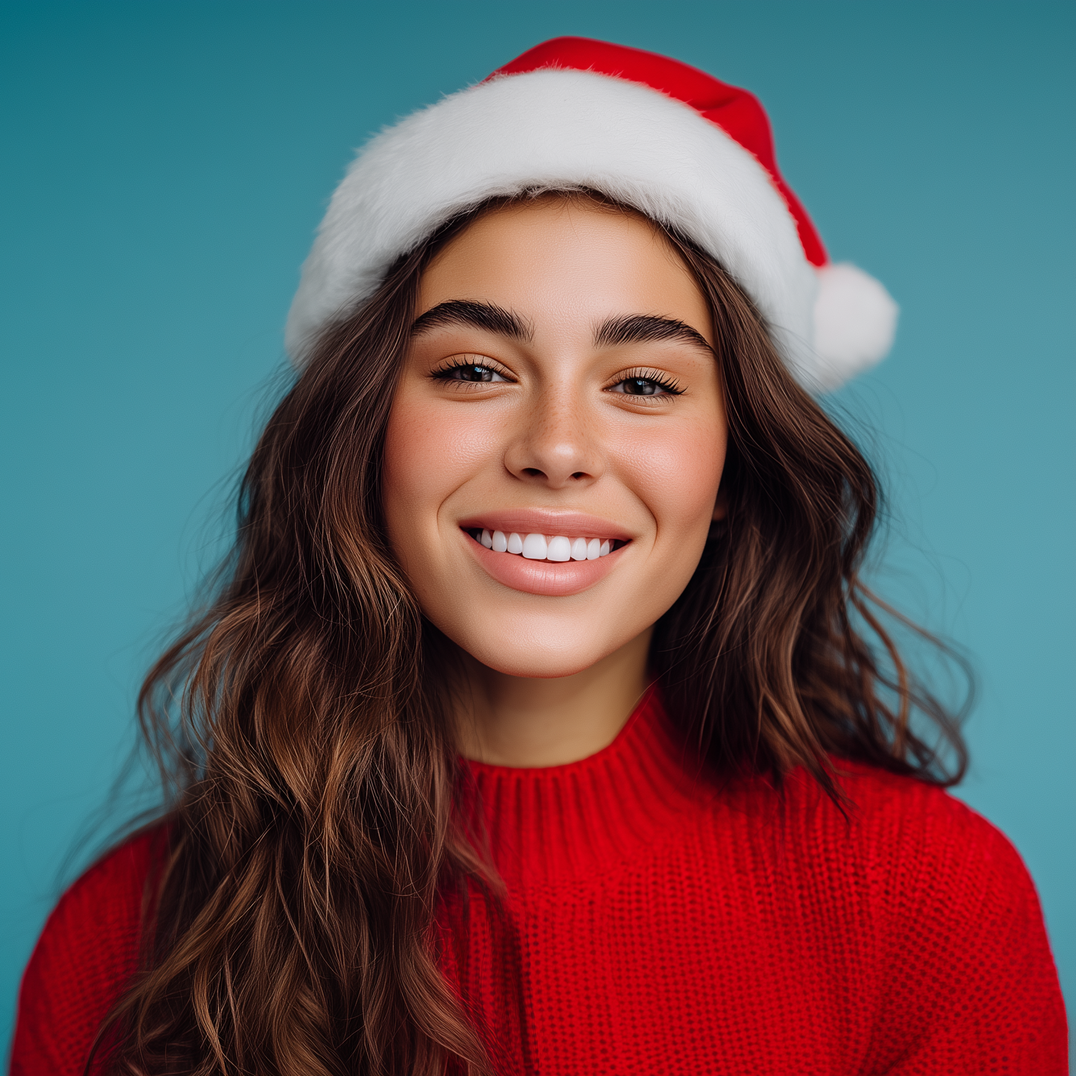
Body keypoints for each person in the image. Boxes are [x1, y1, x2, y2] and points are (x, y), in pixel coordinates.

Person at [10, 36, 1066, 1076]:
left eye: (643, 384)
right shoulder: (120, 938)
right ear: (364, 436)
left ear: (733, 471)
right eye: (475, 369)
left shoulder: (927, 902)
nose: (555, 448)